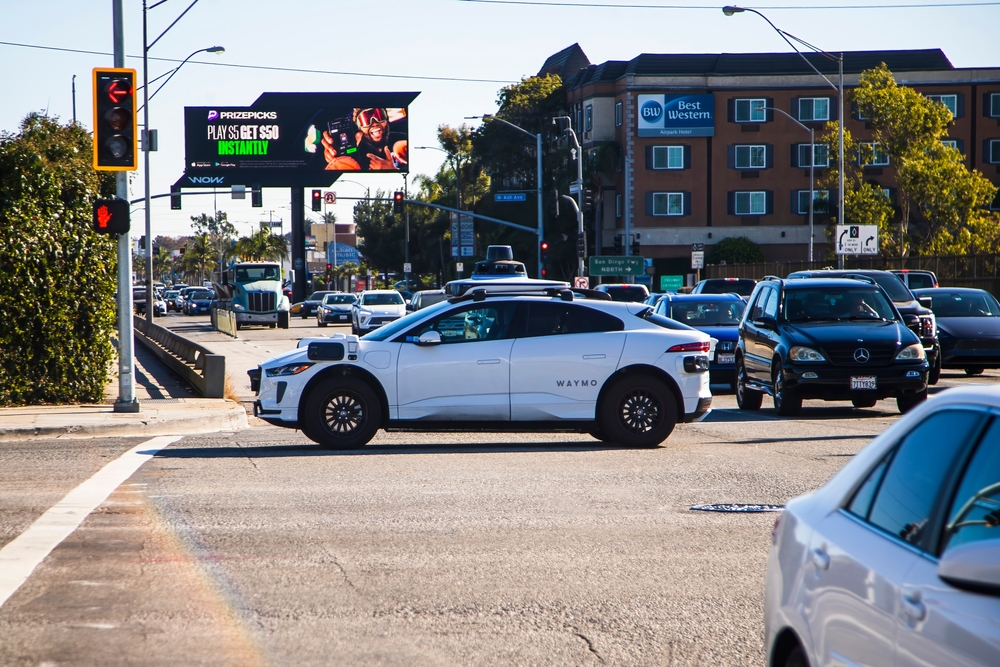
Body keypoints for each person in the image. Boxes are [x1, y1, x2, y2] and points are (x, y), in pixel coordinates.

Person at [321, 107, 408, 171]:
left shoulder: (403, 140)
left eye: (378, 115)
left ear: (386, 119)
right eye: (365, 119)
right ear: (359, 128)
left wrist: (392, 170)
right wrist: (338, 160)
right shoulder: (354, 151)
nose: (374, 123)